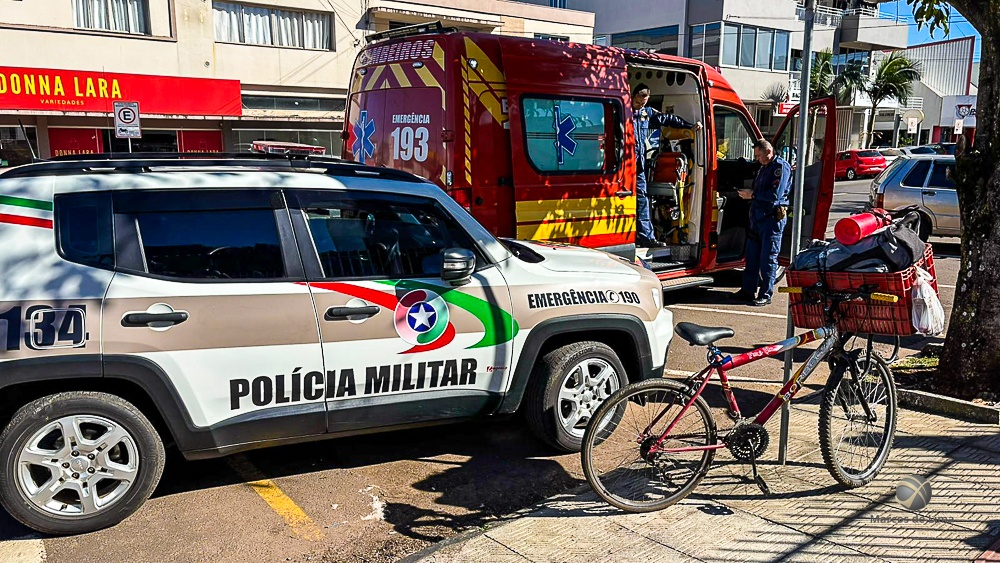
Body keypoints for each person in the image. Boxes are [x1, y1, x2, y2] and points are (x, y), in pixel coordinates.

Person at [631, 83, 702, 248]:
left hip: (639, 165)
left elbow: (668, 119)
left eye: (644, 103)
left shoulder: (646, 113)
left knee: (642, 199)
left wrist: (688, 126)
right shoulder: (623, 111)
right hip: (624, 165)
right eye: (638, 103)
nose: (641, 106)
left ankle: (646, 237)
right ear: (632, 96)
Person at [733, 139, 792, 307]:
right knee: (752, 257)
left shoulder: (780, 168)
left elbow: (775, 195)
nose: (757, 159)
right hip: (758, 218)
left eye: (759, 155)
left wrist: (751, 195)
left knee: (768, 259)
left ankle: (766, 294)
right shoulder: (764, 167)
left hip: (772, 219)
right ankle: (747, 290)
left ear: (768, 151)